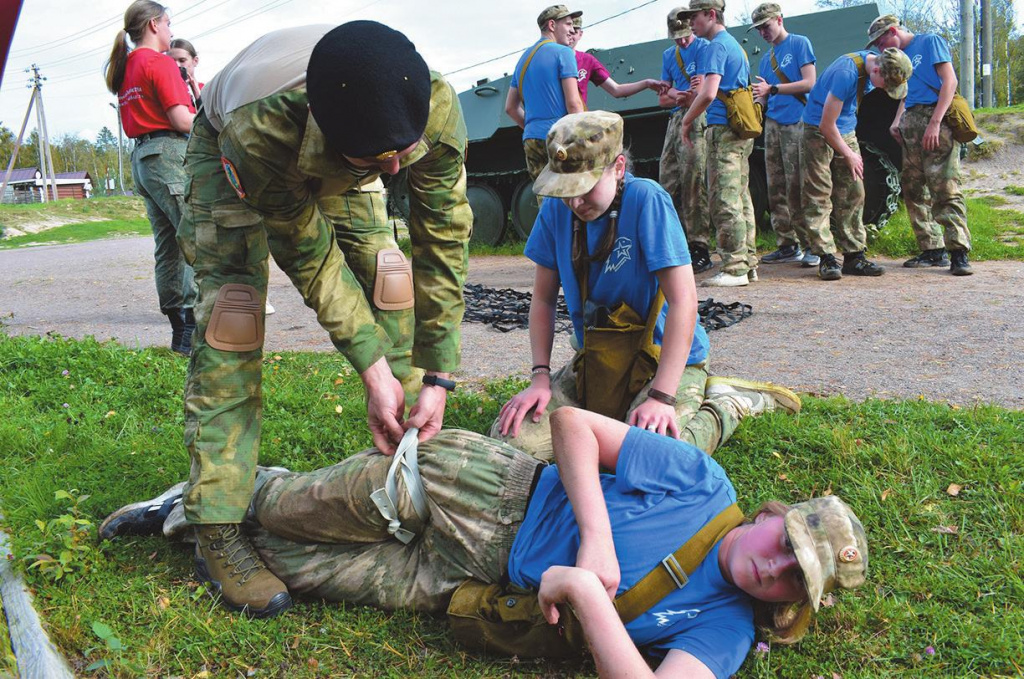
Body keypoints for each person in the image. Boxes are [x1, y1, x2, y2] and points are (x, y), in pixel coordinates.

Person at [100, 406, 870, 678]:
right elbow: (573, 426)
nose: (770, 566)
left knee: (294, 567)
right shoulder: (703, 483)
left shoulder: (728, 627)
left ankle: (195, 523)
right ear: (773, 516)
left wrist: (577, 593)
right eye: (784, 544)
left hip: (468, 584)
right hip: (490, 489)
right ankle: (216, 493)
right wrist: (594, 539)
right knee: (306, 509)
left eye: (788, 580)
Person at [175, 22, 471, 617]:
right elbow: (311, 257)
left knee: (391, 276)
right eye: (378, 160)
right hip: (234, 153)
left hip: (343, 140)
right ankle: (217, 521)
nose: (393, 172)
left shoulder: (430, 108)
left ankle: (411, 456)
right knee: (234, 322)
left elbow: (441, 240)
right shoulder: (258, 130)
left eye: (402, 155)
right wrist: (370, 367)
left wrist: (437, 374)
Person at [489, 111, 799, 462]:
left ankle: (727, 403)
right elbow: (543, 300)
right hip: (601, 360)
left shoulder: (646, 200)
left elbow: (684, 301)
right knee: (511, 444)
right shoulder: (558, 210)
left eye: (584, 188)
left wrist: (662, 397)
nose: (574, 202)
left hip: (664, 362)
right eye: (565, 189)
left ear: (618, 168)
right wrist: (540, 378)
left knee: (654, 457)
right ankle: (614, 419)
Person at [104, 1, 197, 354]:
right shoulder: (159, 62)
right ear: (155, 25)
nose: (171, 31)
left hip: (143, 159)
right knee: (191, 236)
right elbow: (181, 120)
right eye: (169, 24)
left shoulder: (126, 66)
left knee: (167, 245)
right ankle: (192, 328)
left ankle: (179, 331)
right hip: (169, 155)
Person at [867, 15, 973, 276]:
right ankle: (931, 250)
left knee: (945, 187)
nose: (881, 49)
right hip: (911, 122)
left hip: (935, 119)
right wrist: (897, 120)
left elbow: (950, 82)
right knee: (913, 188)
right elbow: (905, 92)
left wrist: (935, 123)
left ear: (894, 31)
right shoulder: (899, 58)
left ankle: (958, 252)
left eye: (881, 42)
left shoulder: (929, 42)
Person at [800, 48, 911, 281]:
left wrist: (849, 149)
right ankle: (826, 257)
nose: (883, 90)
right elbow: (826, 125)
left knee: (854, 190)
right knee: (819, 192)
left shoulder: (874, 60)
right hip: (818, 129)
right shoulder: (846, 73)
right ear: (877, 70)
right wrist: (849, 154)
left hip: (845, 129)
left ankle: (854, 255)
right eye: (885, 84)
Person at [679, 0, 758, 288]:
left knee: (723, 198)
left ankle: (735, 267)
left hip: (723, 130)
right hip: (738, 131)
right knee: (740, 197)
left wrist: (687, 121)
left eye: (695, 17)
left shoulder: (715, 46)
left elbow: (709, 93)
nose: (691, 24)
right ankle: (748, 263)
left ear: (711, 15)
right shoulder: (734, 45)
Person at [748, 3, 819, 269]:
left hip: (797, 123)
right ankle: (787, 245)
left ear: (779, 19)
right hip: (774, 125)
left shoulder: (800, 43)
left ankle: (813, 244)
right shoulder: (767, 59)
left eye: (766, 26)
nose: (763, 33)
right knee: (776, 187)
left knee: (799, 186)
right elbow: (764, 96)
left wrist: (773, 88)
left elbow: (810, 82)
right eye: (759, 29)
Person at [505, 5, 585, 190]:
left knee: (545, 200)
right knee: (571, 197)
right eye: (568, 24)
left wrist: (534, 127)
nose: (572, 30)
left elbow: (510, 107)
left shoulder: (523, 59)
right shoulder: (564, 53)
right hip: (561, 138)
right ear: (551, 25)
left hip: (532, 139)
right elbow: (574, 103)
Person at [658, 7, 713, 273]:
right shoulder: (669, 55)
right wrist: (681, 93)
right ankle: (673, 243)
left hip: (697, 117)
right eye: (676, 37)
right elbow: (662, 97)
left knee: (694, 182)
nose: (681, 41)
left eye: (684, 35)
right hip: (673, 121)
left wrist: (681, 94)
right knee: (667, 181)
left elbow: (701, 92)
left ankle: (699, 246)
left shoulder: (703, 47)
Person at [567, 16, 667, 107]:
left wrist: (647, 83)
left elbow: (616, 90)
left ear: (580, 34)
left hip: (574, 119)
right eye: (568, 30)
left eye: (574, 32)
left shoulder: (587, 60)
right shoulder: (552, 56)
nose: (570, 35)